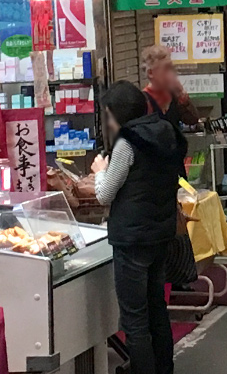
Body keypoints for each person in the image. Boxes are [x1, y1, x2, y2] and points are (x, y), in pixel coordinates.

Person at [93, 81, 187, 374]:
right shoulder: (165, 132)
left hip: (132, 239)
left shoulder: (127, 143)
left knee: (135, 319)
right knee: (157, 309)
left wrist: (100, 172)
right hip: (161, 233)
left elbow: (105, 193)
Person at [141, 45, 200, 128]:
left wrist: (182, 96)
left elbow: (192, 120)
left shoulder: (173, 94)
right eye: (165, 69)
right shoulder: (144, 100)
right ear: (151, 73)